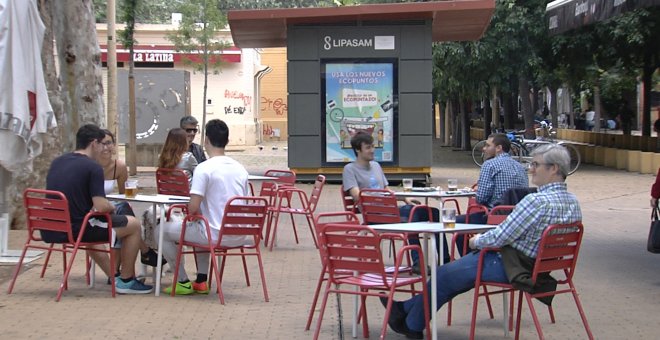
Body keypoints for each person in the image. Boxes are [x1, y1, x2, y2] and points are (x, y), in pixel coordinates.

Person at [380, 144, 581, 338]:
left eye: (536, 164)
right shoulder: (573, 202)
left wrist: (476, 242)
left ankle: (410, 324)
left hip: (512, 266)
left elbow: (502, 235)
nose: (531, 169)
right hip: (542, 267)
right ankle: (403, 311)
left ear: (553, 168)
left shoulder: (536, 202)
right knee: (453, 279)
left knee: (443, 275)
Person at [43, 124, 153, 294]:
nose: (105, 148)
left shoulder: (58, 162)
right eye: (102, 143)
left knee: (100, 223)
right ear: (94, 143)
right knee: (134, 225)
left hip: (51, 228)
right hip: (77, 230)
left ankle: (113, 276)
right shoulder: (92, 167)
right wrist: (111, 207)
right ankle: (126, 279)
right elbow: (101, 205)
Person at [160, 119, 250, 295]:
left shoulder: (204, 168)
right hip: (239, 235)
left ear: (206, 140)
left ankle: (182, 280)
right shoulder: (241, 169)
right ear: (228, 142)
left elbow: (192, 208)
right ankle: (201, 280)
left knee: (162, 230)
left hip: (214, 235)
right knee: (200, 225)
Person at [342, 132, 439, 272]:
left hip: (390, 210)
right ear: (358, 150)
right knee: (414, 216)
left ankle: (445, 260)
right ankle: (418, 262)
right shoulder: (350, 169)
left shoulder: (376, 166)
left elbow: (387, 189)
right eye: (368, 147)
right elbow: (357, 196)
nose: (372, 150)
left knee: (432, 213)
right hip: (374, 215)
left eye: (373, 146)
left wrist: (405, 198)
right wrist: (381, 197)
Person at [458, 133, 529, 225]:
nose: (484, 148)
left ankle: (467, 240)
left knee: (455, 222)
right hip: (517, 218)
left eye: (488, 145)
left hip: (493, 215)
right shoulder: (520, 167)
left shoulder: (489, 165)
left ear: (499, 148)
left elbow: (481, 198)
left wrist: (479, 191)